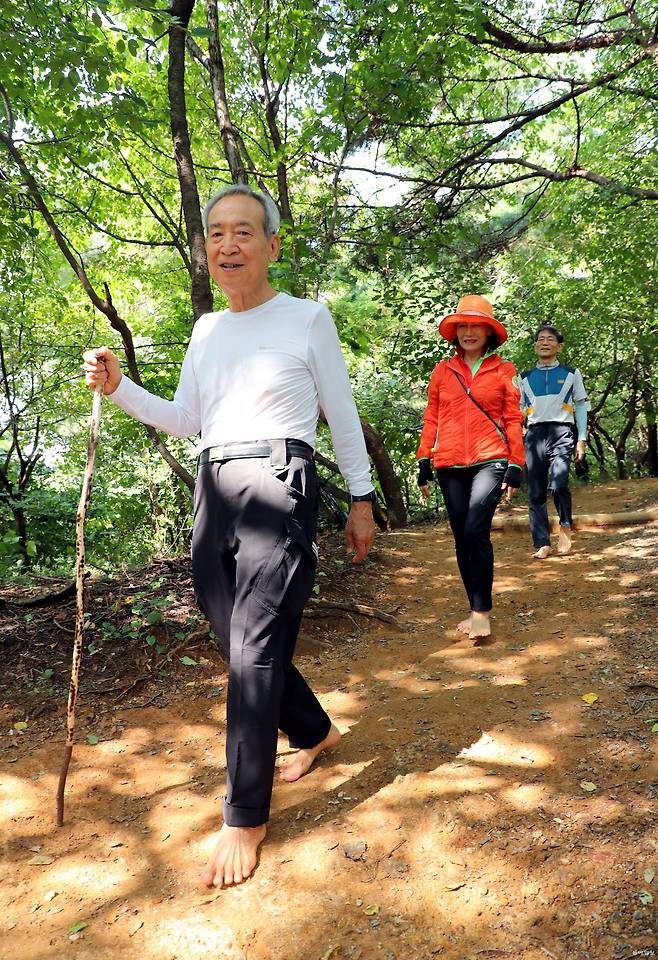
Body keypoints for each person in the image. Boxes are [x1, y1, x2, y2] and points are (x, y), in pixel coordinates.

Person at [83, 184, 376, 888]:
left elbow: (341, 412)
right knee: (233, 637)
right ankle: (314, 730)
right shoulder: (208, 329)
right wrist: (119, 387)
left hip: (280, 482)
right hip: (213, 487)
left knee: (253, 649)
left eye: (244, 231)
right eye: (216, 233)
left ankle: (245, 815)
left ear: (272, 244)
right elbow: (188, 419)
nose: (228, 244)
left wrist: (361, 501)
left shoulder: (307, 318)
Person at [416, 294, 524, 642]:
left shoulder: (504, 370)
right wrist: (423, 460)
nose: (468, 331)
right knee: (462, 536)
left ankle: (481, 612)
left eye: (475, 325)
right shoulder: (442, 371)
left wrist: (516, 464)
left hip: (491, 458)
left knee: (477, 529)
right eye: (463, 325)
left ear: (488, 331)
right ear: (456, 332)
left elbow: (512, 418)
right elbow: (431, 416)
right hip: (449, 463)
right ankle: (473, 606)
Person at [519, 324, 589, 558]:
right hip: (534, 435)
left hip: (562, 432)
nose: (544, 342)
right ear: (535, 346)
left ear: (559, 346)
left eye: (550, 339)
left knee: (558, 483)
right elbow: (518, 411)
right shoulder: (524, 377)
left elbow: (580, 406)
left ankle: (566, 525)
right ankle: (542, 543)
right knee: (536, 491)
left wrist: (581, 439)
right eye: (540, 339)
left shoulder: (571, 374)